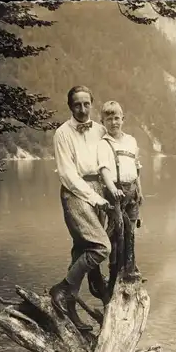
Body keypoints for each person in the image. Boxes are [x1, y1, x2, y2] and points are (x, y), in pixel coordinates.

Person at [50, 86, 111, 332]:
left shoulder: (101, 130)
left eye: (87, 104)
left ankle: (70, 306)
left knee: (82, 250)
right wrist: (94, 198)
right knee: (101, 246)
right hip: (76, 193)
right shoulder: (62, 134)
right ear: (70, 106)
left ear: (92, 104)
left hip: (100, 191)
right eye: (77, 105)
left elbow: (111, 159)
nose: (83, 109)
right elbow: (67, 175)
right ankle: (63, 288)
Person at [97, 100, 147, 281]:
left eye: (116, 118)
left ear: (123, 119)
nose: (113, 122)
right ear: (102, 122)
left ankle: (130, 268)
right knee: (117, 231)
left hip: (132, 190)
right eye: (108, 119)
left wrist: (139, 190)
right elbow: (104, 170)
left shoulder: (131, 141)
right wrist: (112, 189)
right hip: (115, 192)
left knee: (131, 230)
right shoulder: (104, 143)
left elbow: (136, 168)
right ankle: (115, 269)